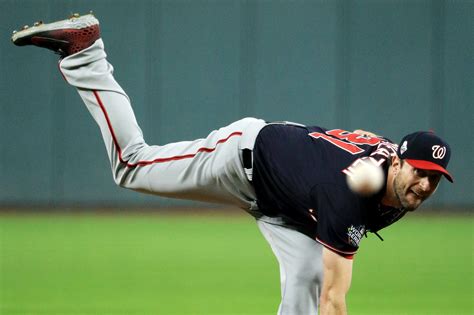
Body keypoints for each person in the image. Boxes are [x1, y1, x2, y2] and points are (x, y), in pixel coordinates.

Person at [11, 13, 453, 315]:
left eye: (434, 179)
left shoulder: (389, 172)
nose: (426, 185)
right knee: (131, 164)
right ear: (397, 162)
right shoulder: (353, 194)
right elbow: (336, 302)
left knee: (305, 278)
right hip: (242, 159)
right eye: (420, 172)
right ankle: (86, 53)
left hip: (288, 202)